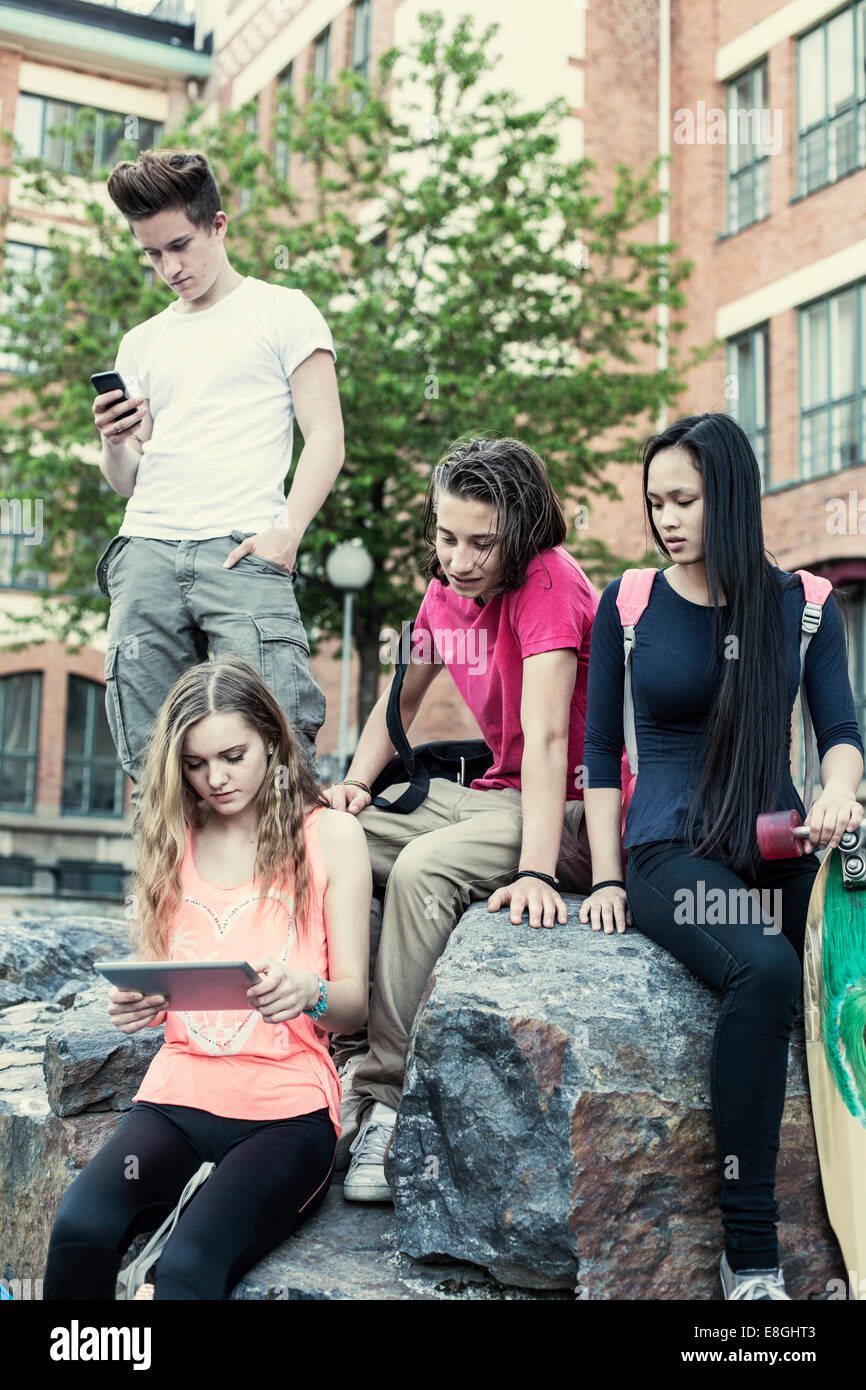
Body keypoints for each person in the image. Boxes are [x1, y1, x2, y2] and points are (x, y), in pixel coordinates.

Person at [579, 413, 864, 1301]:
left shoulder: (804, 606)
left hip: (780, 839)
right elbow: (597, 755)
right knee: (768, 968)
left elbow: (842, 735)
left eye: (685, 499)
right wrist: (607, 881)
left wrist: (840, 791)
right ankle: (751, 1260)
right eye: (655, 500)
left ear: (730, 498)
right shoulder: (627, 603)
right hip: (673, 856)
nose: (666, 517)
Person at [43, 657, 370, 1301]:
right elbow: (170, 987)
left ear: (272, 741)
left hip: (286, 1115)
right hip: (177, 1099)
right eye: (195, 764)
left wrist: (311, 991)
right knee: (82, 1224)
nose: (215, 779)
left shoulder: (332, 835)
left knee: (189, 1267)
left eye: (232, 756)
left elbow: (353, 1007)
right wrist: (143, 1004)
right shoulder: (172, 837)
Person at [325, 436, 598, 1200]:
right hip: (493, 791)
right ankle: (337, 1049)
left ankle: (383, 1101)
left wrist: (539, 869)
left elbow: (547, 739)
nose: (461, 558)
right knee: (329, 834)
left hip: (574, 808)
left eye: (482, 542)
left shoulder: (549, 585)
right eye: (447, 537)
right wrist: (353, 783)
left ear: (521, 533)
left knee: (422, 867)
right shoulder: (444, 591)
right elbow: (402, 699)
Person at [92, 148, 343, 783]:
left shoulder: (282, 310)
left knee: (276, 737)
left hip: (241, 546)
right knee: (154, 760)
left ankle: (284, 880)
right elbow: (128, 480)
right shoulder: (141, 341)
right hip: (147, 543)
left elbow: (326, 439)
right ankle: (171, 885)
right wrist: (116, 442)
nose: (169, 267)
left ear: (218, 225)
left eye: (179, 245)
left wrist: (289, 532)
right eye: (151, 254)